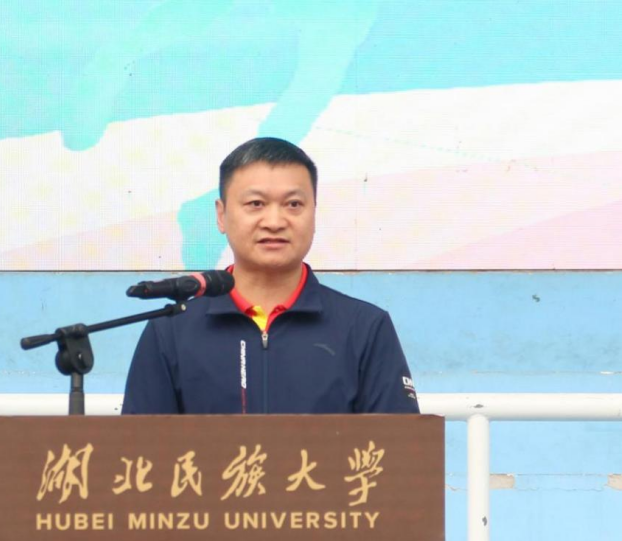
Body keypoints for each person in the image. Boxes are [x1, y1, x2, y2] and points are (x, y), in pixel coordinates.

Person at [122, 137, 419, 414]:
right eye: (256, 204)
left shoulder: (364, 328)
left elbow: (397, 447)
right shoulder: (172, 331)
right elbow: (140, 448)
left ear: (314, 213)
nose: (275, 222)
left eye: (293, 204)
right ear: (222, 215)